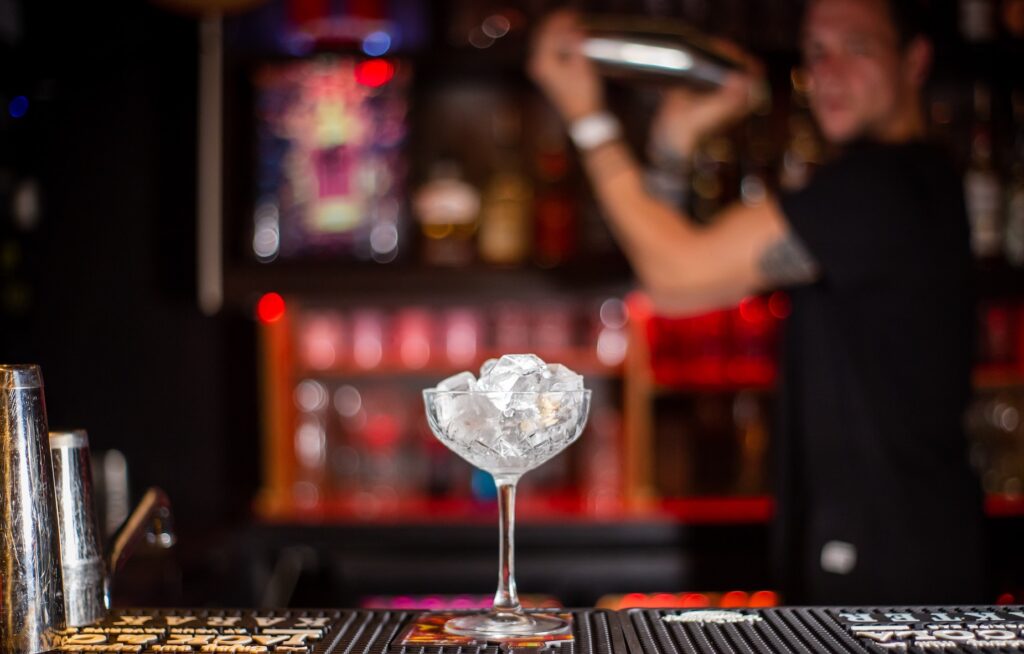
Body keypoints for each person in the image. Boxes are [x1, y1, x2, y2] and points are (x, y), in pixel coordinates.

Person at [529, 0, 986, 604]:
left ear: (915, 60)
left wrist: (587, 118)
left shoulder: (882, 188)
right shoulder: (905, 184)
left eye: (858, 47)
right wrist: (673, 142)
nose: (830, 71)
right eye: (817, 51)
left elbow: (676, 273)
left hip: (893, 560)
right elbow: (674, 276)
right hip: (889, 543)